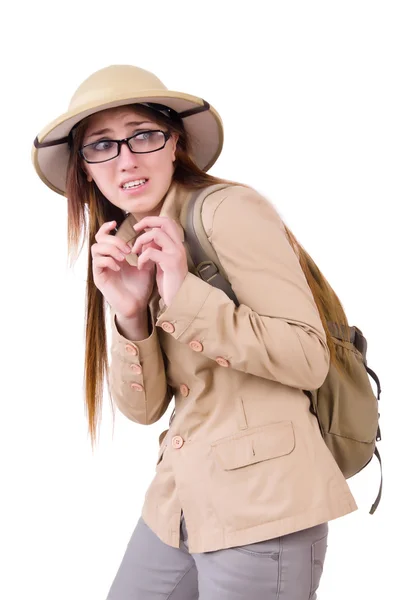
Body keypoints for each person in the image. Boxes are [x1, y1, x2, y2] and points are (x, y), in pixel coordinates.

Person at [32, 64, 357, 600]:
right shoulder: (130, 238)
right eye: (102, 146)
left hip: (263, 509)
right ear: (85, 169)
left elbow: (307, 357)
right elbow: (143, 411)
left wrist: (184, 293)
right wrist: (131, 315)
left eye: (142, 135)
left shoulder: (229, 210)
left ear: (173, 142)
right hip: (178, 504)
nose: (126, 159)